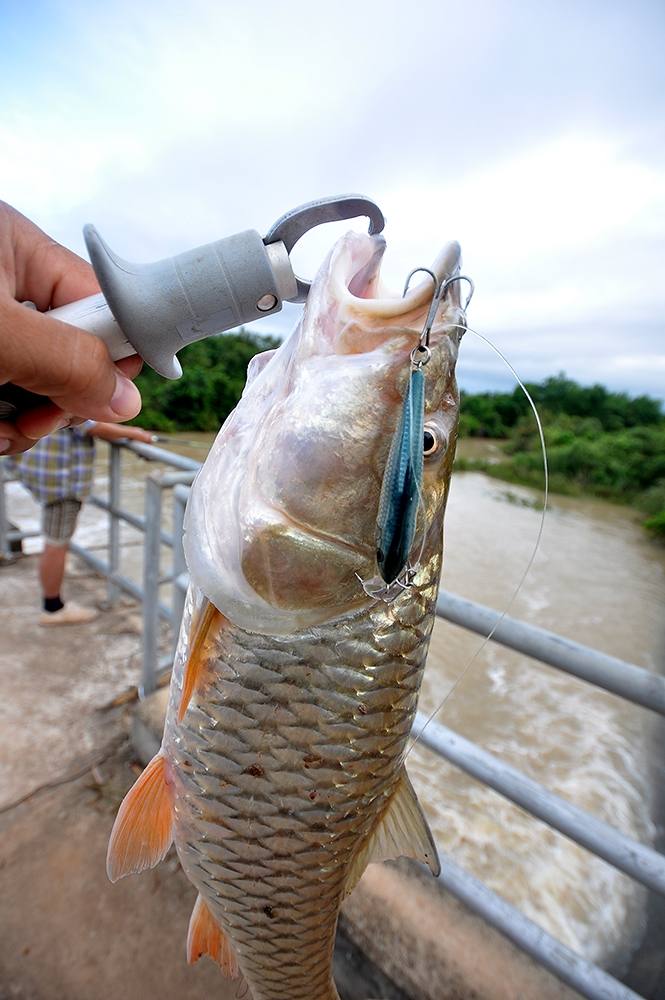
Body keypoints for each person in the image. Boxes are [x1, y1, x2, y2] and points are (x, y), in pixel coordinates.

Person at [0, 200, 143, 456]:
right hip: (55, 494)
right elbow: (92, 426)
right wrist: (135, 434)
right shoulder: (62, 399)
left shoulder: (50, 401)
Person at [6, 421, 155, 624]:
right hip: (61, 482)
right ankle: (53, 608)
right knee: (56, 544)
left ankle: (52, 603)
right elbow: (89, 425)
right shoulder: (71, 398)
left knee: (55, 541)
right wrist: (135, 433)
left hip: (46, 473)